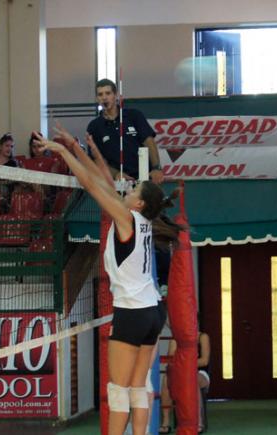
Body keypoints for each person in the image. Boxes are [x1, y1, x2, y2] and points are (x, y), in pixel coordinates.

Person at [34, 125, 181, 435]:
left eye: (133, 191)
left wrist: (62, 152)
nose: (128, 191)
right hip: (154, 311)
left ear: (139, 203)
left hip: (133, 312)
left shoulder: (126, 217)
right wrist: (77, 146)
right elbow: (103, 179)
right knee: (139, 386)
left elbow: (91, 184)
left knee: (118, 390)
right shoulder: (140, 219)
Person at [87, 78, 164, 184]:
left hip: (145, 180)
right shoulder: (94, 126)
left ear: (115, 95)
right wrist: (116, 174)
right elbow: (96, 160)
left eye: (108, 93)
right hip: (117, 184)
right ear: (97, 98)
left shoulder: (134, 115)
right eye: (100, 94)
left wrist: (156, 168)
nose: (104, 97)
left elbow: (149, 141)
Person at [159, 330, 211, 434]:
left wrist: (185, 363)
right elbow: (171, 360)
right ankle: (166, 422)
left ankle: (198, 422)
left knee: (192, 379)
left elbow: (204, 361)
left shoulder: (202, 337)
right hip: (180, 371)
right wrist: (183, 364)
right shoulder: (176, 338)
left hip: (199, 373)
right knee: (166, 379)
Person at [0, 133, 21, 210]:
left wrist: (0, 181)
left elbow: (16, 180)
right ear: (0, 146)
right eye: (7, 146)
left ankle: (2, 200)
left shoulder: (13, 163)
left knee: (1, 188)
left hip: (6, 188)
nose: (10, 149)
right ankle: (0, 198)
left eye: (11, 146)